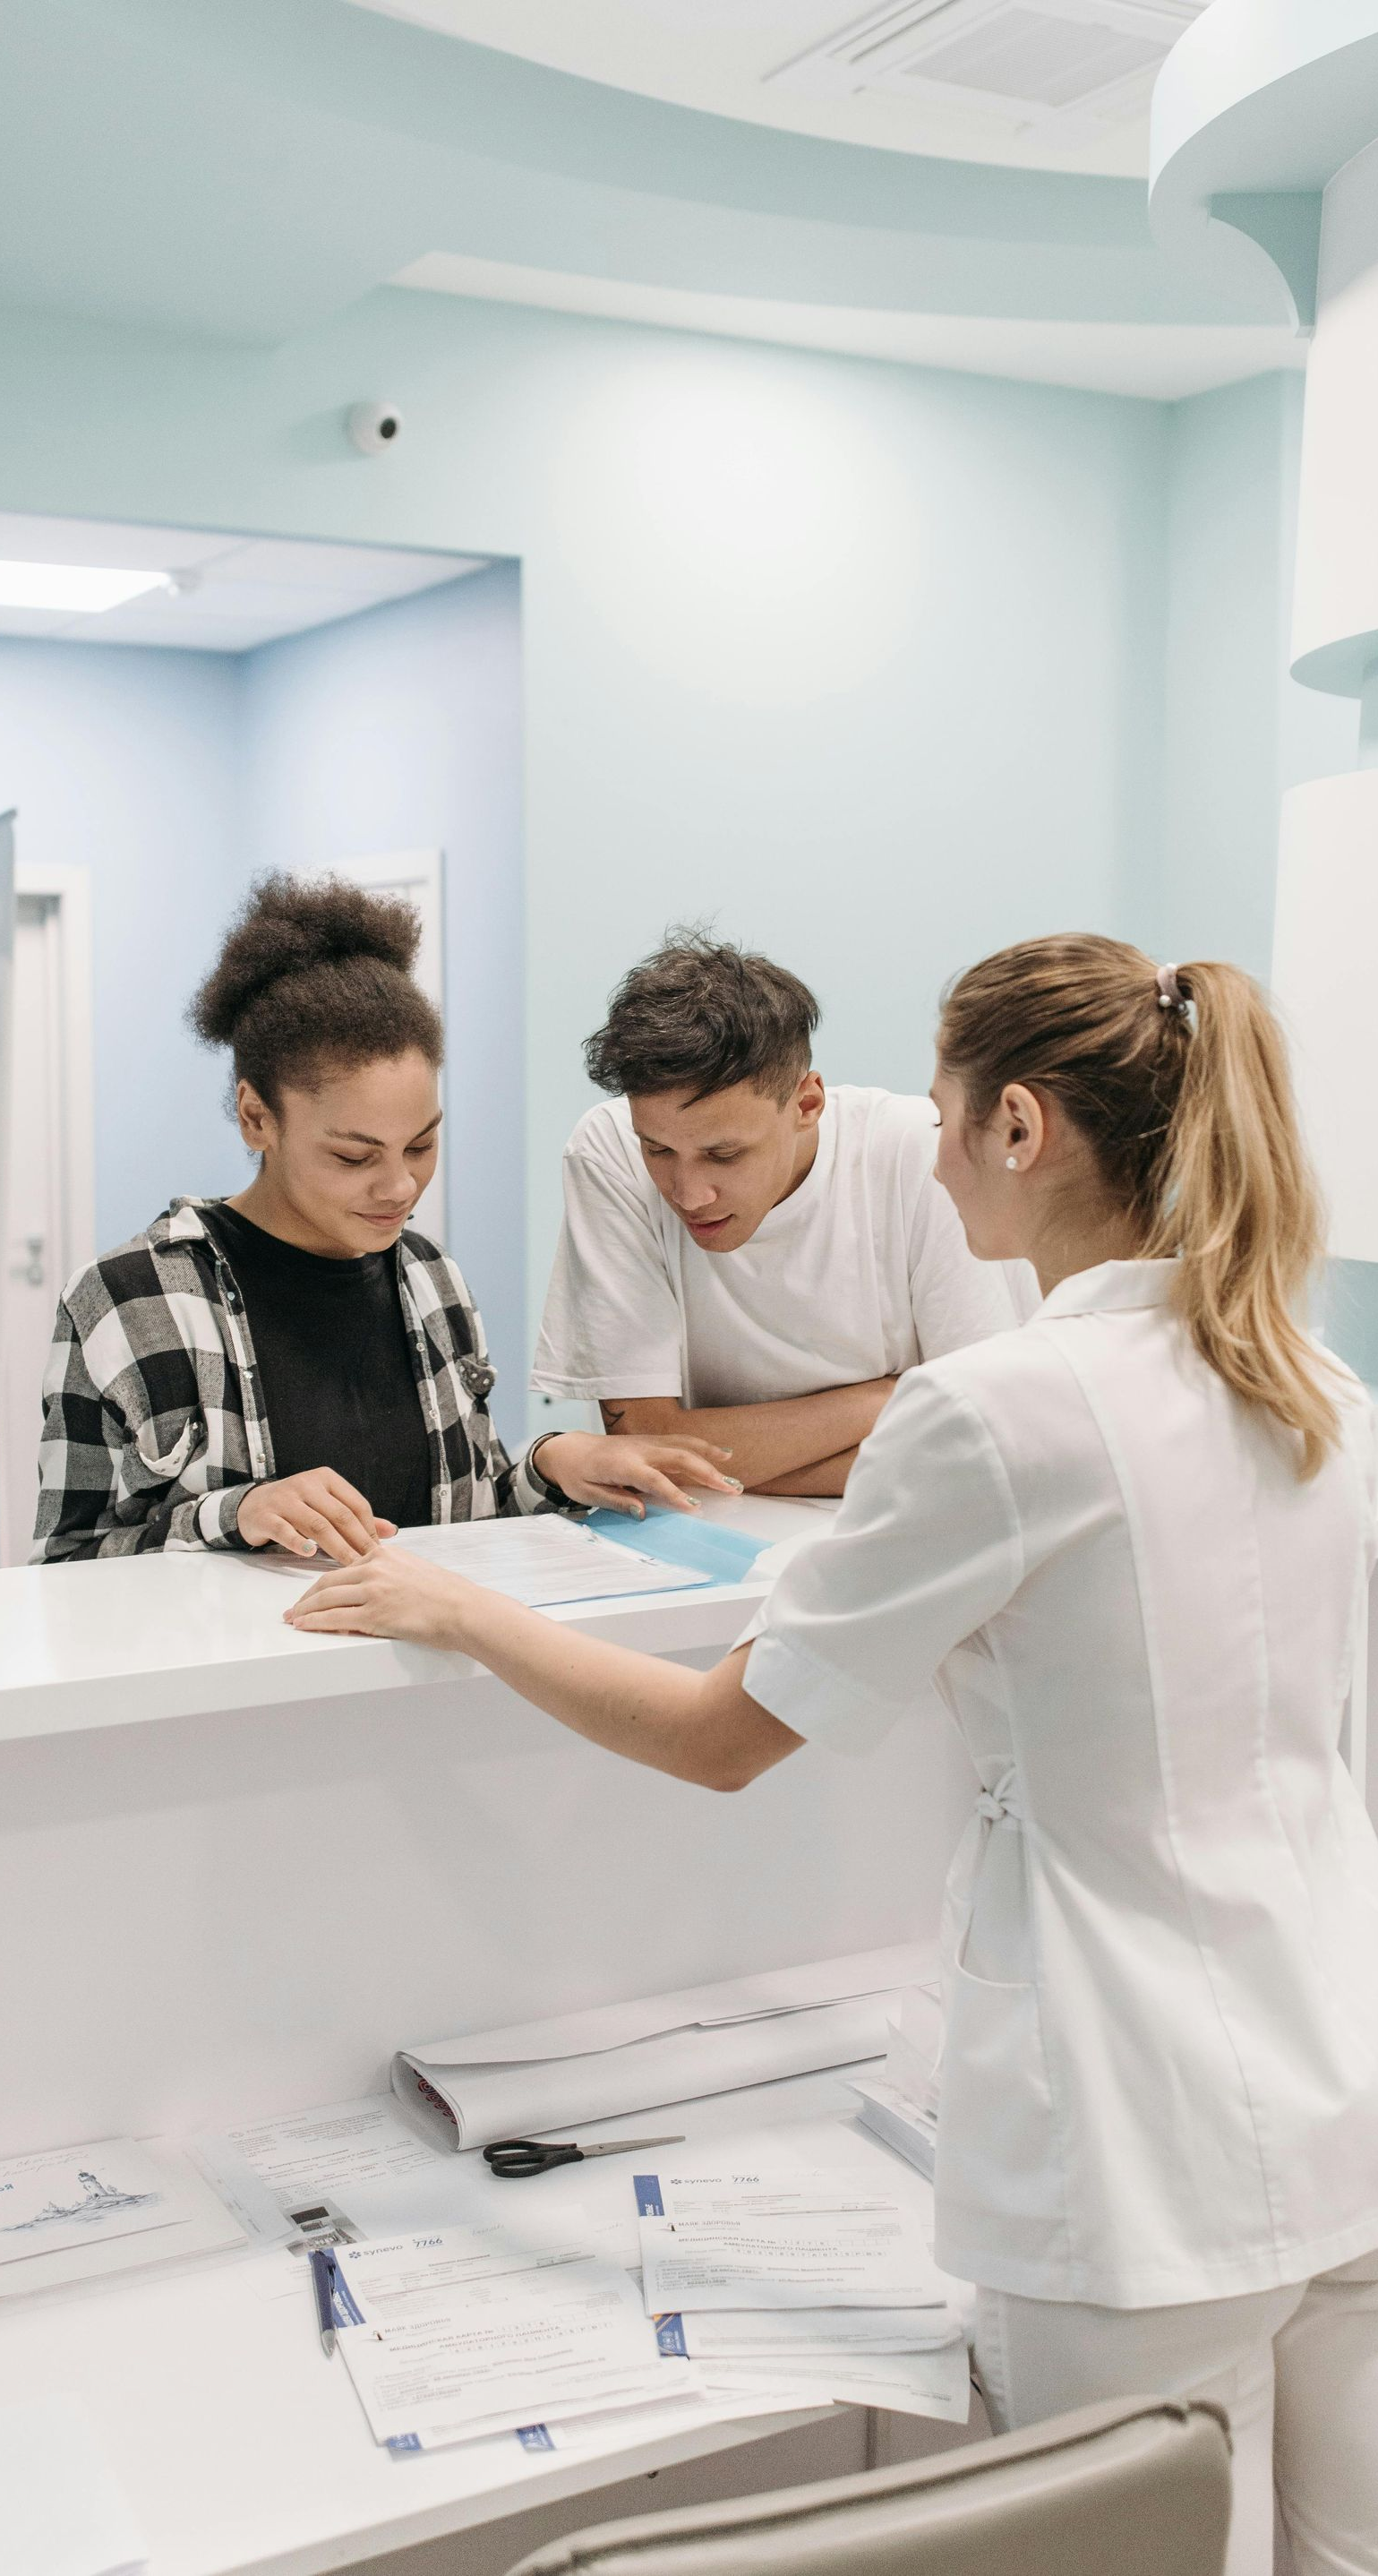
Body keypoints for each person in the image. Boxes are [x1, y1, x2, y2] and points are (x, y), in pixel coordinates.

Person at [287, 934, 1378, 2576]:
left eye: (941, 1118)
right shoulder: (1317, 1389)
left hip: (1134, 2145)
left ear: (1017, 1126)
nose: (923, 1158)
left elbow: (717, 1737)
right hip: (1340, 2084)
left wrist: (457, 1611)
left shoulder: (1003, 1410)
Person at [32, 877, 737, 1562]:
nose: (400, 1186)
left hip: (420, 1679)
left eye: (422, 1144)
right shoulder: (125, 1299)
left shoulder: (431, 1277)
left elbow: (463, 1512)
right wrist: (237, 1514)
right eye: (352, 1157)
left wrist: (551, 1464)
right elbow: (67, 1563)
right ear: (256, 1117)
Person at [530, 932, 1032, 1494]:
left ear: (807, 1104)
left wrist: (736, 1466)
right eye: (660, 1150)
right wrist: (892, 1396)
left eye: (725, 1154)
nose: (690, 1194)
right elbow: (648, 1444)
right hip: (701, 1547)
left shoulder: (918, 1150)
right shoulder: (608, 1148)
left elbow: (977, 1435)